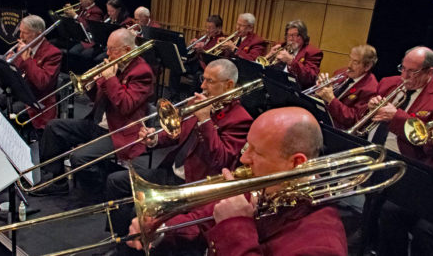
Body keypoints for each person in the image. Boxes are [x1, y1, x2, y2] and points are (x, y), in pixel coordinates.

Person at [126, 107, 347, 256]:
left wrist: (236, 226)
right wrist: (161, 228)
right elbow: (203, 218)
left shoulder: (323, 242)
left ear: (296, 162)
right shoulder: (262, 181)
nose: (243, 158)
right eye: (246, 146)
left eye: (256, 152)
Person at [104, 59, 252, 249]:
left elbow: (221, 159)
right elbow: (177, 132)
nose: (202, 85)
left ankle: (133, 248)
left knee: (140, 210)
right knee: (115, 181)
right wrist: (155, 138)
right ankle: (121, 240)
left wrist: (205, 120)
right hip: (171, 171)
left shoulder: (240, 119)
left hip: (193, 184)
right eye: (203, 79)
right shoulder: (203, 102)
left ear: (228, 85)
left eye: (210, 81)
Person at [35, 28, 154, 197]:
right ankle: (58, 181)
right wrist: (91, 87)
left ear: (127, 50)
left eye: (112, 49)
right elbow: (103, 97)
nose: (107, 53)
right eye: (107, 47)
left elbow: (126, 105)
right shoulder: (117, 64)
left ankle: (102, 189)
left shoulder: (142, 72)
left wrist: (110, 79)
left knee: (79, 157)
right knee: (54, 127)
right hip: (99, 122)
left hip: (120, 130)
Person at [0, 15, 62, 130]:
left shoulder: (53, 53)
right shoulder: (23, 46)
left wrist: (27, 60)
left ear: (38, 34)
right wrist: (9, 64)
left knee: (0, 119)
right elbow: (15, 74)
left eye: (25, 33)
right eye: (20, 32)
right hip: (14, 93)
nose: (20, 37)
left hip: (34, 100)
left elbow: (42, 83)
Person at [368, 46, 433, 170]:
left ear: (429, 72)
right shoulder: (387, 82)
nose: (404, 76)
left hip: (404, 163)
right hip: (370, 150)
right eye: (403, 68)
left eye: (413, 71)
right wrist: (370, 108)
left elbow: (430, 144)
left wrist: (396, 117)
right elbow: (363, 117)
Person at [315, 44, 380, 130]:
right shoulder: (341, 72)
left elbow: (353, 118)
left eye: (355, 62)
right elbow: (323, 98)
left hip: (336, 129)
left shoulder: (370, 88)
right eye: (350, 59)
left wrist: (331, 99)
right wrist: (321, 89)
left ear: (367, 66)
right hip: (321, 117)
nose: (349, 65)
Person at [264, 20, 322, 89]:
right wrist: (268, 55)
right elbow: (266, 68)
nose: (291, 39)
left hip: (295, 90)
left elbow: (310, 78)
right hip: (274, 84)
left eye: (294, 35)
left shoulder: (313, 52)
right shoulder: (281, 46)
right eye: (289, 35)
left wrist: (291, 61)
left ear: (303, 36)